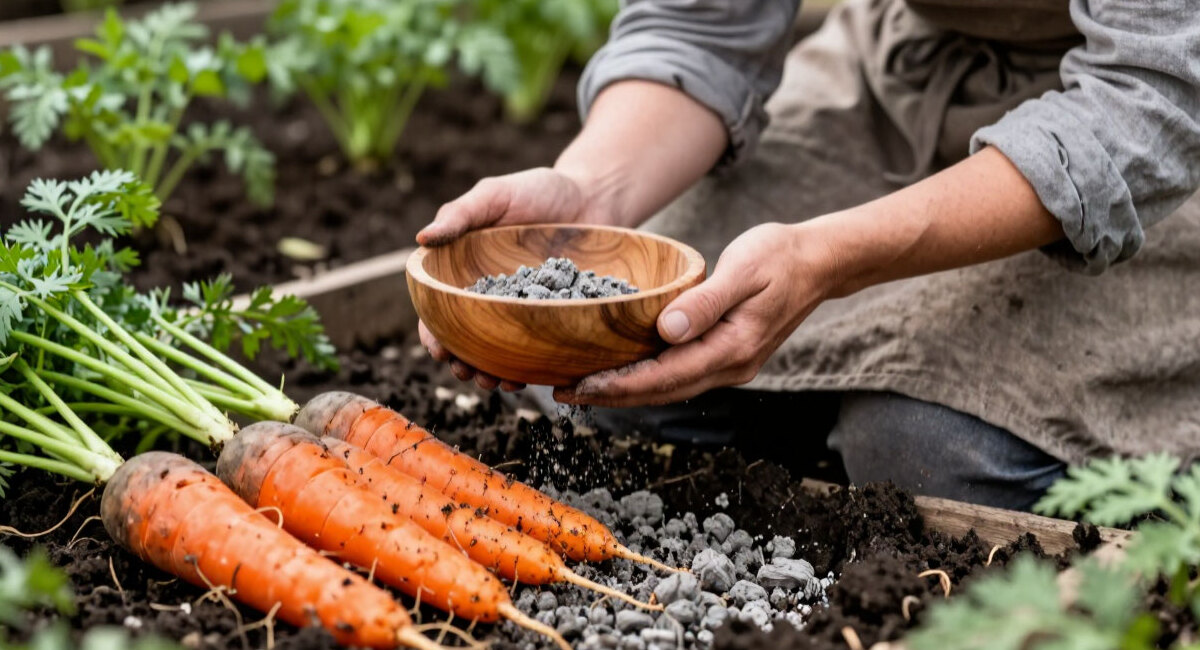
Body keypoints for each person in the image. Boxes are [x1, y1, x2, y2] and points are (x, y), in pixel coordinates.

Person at [416, 0, 1200, 511]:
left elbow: (1153, 94)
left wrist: (833, 257)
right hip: (902, 74)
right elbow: (703, 26)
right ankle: (822, 398)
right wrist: (591, 190)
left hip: (1152, 119)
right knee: (610, 360)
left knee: (926, 454)